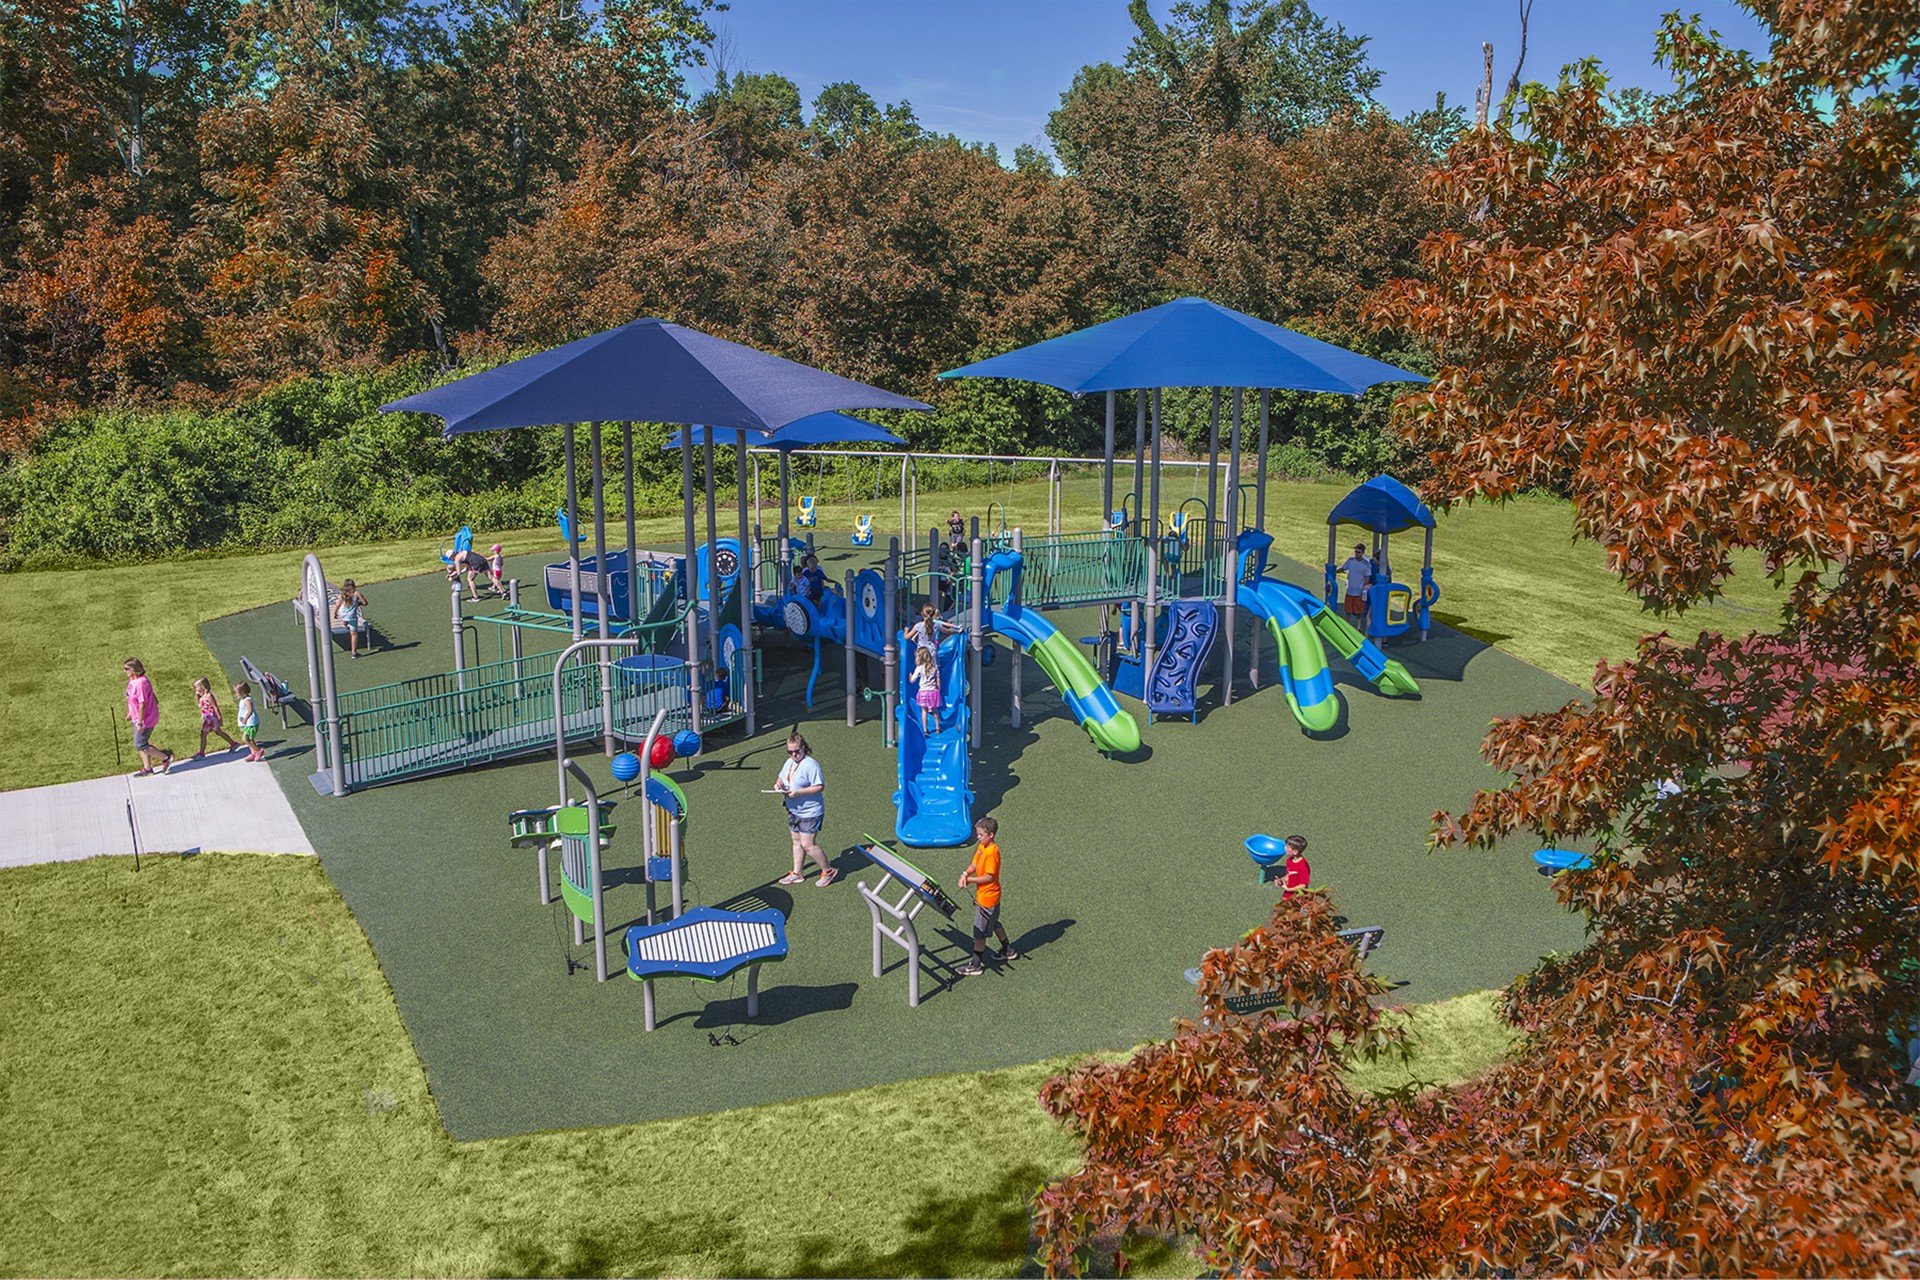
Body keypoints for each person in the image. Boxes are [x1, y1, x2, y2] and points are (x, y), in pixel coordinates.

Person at [773, 732, 837, 887]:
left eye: (797, 751)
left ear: (804, 748)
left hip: (810, 812)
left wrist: (798, 793)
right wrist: (778, 785)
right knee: (796, 841)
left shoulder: (811, 765)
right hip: (793, 809)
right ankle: (797, 873)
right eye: (790, 752)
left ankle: (828, 871)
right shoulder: (789, 762)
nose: (794, 754)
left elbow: (819, 787)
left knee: (808, 845)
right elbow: (781, 777)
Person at [955, 816, 1017, 975]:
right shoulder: (982, 847)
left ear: (991, 835)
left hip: (988, 899)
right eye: (978, 834)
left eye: (981, 834)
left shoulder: (992, 852)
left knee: (979, 933)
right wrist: (965, 873)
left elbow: (989, 877)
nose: (978, 837)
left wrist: (969, 880)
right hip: (986, 897)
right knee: (994, 922)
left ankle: (976, 965)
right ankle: (1008, 950)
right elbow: (974, 864)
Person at [123, 658, 172, 776]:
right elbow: (134, 698)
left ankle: (166, 758)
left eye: (126, 669)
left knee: (139, 744)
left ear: (134, 669)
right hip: (137, 718)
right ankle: (148, 769)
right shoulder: (132, 681)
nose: (124, 671)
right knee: (141, 742)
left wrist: (139, 722)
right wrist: (131, 712)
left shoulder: (141, 683)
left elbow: (143, 704)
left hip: (146, 719)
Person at [192, 677, 243, 757]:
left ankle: (201, 753)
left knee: (203, 734)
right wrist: (198, 696)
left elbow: (215, 706)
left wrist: (219, 717)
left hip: (211, 719)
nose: (195, 689)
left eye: (197, 687)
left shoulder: (209, 696)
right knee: (218, 732)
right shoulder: (202, 697)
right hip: (207, 718)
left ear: (203, 686)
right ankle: (233, 743)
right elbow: (201, 705)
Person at [908, 646, 943, 733]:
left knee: (924, 711)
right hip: (933, 692)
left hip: (923, 692)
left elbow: (912, 680)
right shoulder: (934, 667)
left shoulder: (919, 668)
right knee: (935, 710)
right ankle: (938, 727)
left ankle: (925, 729)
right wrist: (938, 689)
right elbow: (938, 679)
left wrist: (910, 677)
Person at [333, 578, 369, 656]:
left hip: (342, 613)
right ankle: (354, 653)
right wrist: (358, 603)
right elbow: (365, 603)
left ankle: (345, 623)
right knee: (354, 634)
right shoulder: (356, 593)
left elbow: (338, 604)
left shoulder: (341, 594)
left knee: (345, 619)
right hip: (351, 616)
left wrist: (335, 613)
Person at [1339, 542, 1373, 620]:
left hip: (1358, 593)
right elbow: (1343, 568)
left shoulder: (1366, 564)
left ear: (1363, 553)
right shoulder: (1350, 561)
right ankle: (1346, 625)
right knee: (1348, 611)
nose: (1356, 554)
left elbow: (1367, 578)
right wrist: (1335, 571)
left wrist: (1362, 590)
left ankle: (1359, 628)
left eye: (1358, 552)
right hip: (1350, 591)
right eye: (1355, 552)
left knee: (1358, 612)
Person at [233, 680, 265, 762]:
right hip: (246, 724)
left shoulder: (247, 700)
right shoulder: (243, 699)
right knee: (250, 739)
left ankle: (258, 750)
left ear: (242, 692)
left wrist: (246, 718)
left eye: (237, 692)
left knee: (246, 739)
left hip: (251, 723)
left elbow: (250, 710)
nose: (235, 694)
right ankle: (253, 753)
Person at [1281, 834, 1311, 899]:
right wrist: (1282, 880)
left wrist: (1289, 889)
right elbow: (1289, 874)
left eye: (1287, 847)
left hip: (1299, 896)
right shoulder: (1289, 860)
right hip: (1288, 892)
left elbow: (1303, 886)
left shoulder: (1303, 866)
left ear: (1295, 852)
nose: (1285, 848)